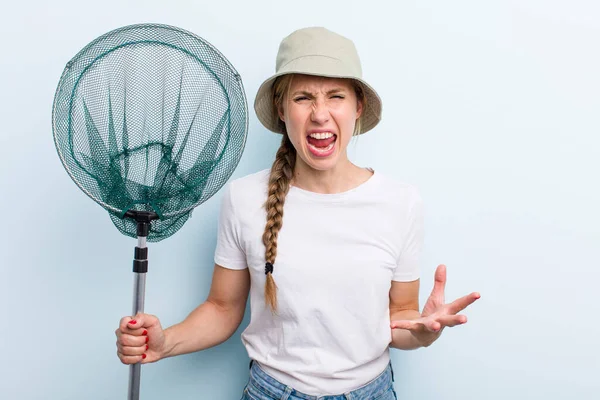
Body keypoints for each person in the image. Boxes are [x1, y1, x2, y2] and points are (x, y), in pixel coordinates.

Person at [115, 27, 480, 400]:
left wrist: (423, 330)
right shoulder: (243, 199)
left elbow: (401, 316)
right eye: (303, 97)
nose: (320, 114)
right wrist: (165, 342)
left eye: (335, 96)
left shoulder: (401, 202)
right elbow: (223, 308)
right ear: (281, 109)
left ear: (357, 107)